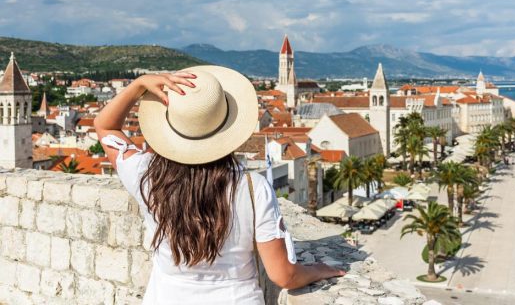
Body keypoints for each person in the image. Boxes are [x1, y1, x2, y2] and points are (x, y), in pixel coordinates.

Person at [94, 67, 344, 304]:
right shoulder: (251, 187)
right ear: (227, 128)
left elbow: (105, 126)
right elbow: (283, 275)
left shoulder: (145, 175)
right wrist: (316, 270)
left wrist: (138, 84)